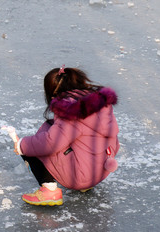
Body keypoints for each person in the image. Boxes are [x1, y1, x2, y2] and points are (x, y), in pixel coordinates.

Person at [13, 65, 120, 206]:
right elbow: (114, 142)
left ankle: (49, 191)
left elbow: (50, 143)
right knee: (53, 130)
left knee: (33, 145)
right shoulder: (100, 105)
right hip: (100, 171)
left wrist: (21, 145)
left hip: (80, 176)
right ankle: (86, 180)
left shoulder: (71, 110)